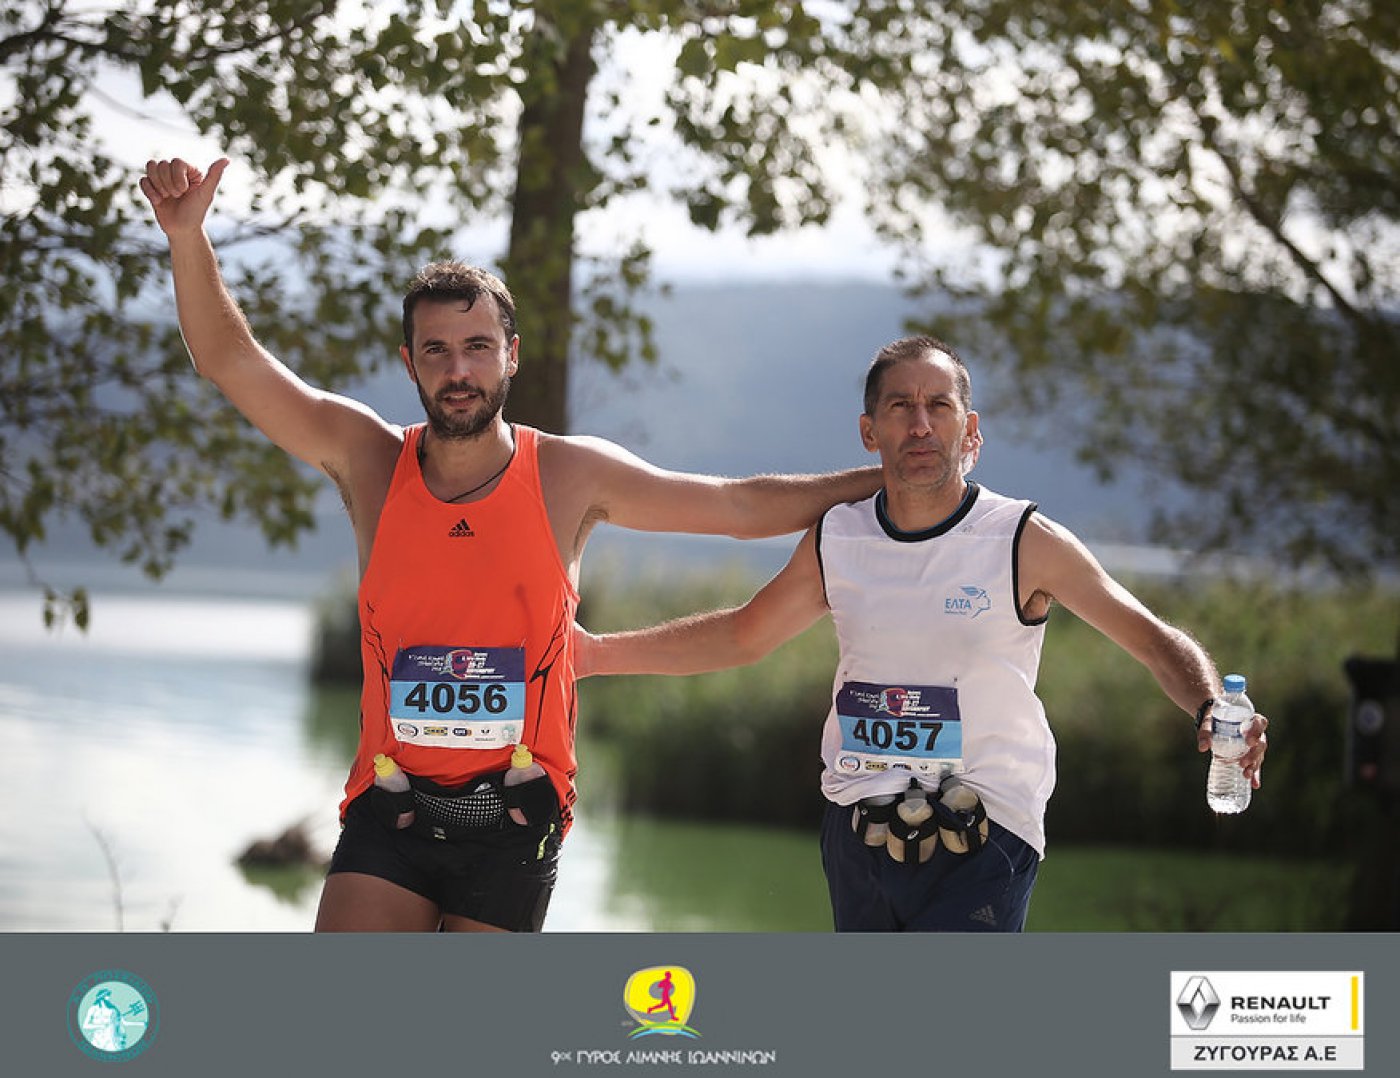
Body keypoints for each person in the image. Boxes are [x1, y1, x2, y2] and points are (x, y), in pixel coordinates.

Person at [139, 156, 881, 933]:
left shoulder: (568, 475)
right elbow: (230, 362)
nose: (458, 370)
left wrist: (892, 480)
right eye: (436, 351)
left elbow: (737, 507)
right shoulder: (370, 460)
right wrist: (188, 238)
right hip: (391, 806)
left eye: (478, 346)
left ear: (512, 355)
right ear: (410, 363)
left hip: (516, 821)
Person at [575, 336, 1270, 932]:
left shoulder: (1023, 540)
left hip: (989, 831)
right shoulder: (839, 537)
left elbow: (1151, 639)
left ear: (971, 430)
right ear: (868, 431)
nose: (919, 424)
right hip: (858, 826)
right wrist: (592, 654)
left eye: (939, 405)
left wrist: (1210, 705)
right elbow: (741, 636)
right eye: (900, 407)